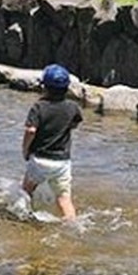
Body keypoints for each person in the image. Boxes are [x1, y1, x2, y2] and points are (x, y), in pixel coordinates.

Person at [21, 64, 83, 221]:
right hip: (62, 161)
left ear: (45, 87)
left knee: (26, 190)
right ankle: (73, 224)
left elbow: (30, 131)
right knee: (64, 198)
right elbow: (75, 123)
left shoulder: (38, 107)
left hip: (40, 159)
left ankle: (23, 218)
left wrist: (25, 150)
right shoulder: (72, 107)